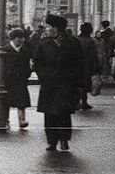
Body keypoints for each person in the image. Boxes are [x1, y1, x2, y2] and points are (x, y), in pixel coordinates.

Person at [31, 14, 83, 151]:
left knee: (64, 114)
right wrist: (44, 76)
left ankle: (64, 140)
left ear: (56, 28)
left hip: (66, 84)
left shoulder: (72, 42)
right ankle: (52, 141)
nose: (47, 29)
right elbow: (37, 63)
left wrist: (76, 83)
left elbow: (79, 64)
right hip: (49, 85)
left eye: (49, 26)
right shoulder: (44, 43)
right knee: (49, 114)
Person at [5, 28, 32, 129]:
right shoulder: (6, 50)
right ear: (13, 39)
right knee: (6, 102)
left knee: (22, 102)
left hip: (21, 80)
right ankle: (6, 120)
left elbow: (27, 65)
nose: (22, 40)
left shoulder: (24, 51)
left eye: (22, 38)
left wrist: (27, 74)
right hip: (10, 81)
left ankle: (22, 120)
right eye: (19, 38)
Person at [76, 22, 98, 110]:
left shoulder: (77, 39)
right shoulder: (90, 41)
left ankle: (76, 103)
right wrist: (96, 68)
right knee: (85, 86)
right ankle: (84, 103)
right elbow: (93, 55)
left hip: (76, 66)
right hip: (86, 66)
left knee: (77, 85)